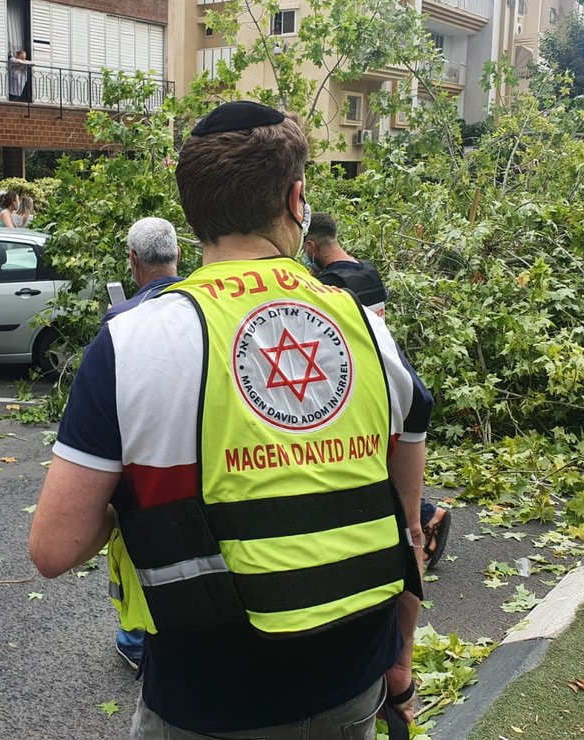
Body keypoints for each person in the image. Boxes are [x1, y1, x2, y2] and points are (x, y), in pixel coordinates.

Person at [30, 101, 428, 739]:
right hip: (352, 676)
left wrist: (138, 496)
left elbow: (53, 549)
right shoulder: (367, 330)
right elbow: (408, 521)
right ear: (298, 199)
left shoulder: (132, 342)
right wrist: (400, 666)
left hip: (207, 693)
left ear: (193, 215)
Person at [305, 212, 451, 570]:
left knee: (373, 469)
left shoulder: (332, 287)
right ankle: (424, 517)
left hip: (362, 384)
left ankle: (426, 517)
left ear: (311, 246)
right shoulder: (367, 271)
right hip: (391, 378)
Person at [96, 217, 183, 668]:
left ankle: (135, 638)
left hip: (142, 469)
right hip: (199, 462)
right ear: (179, 255)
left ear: (133, 261)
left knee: (137, 557)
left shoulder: (121, 324)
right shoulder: (205, 312)